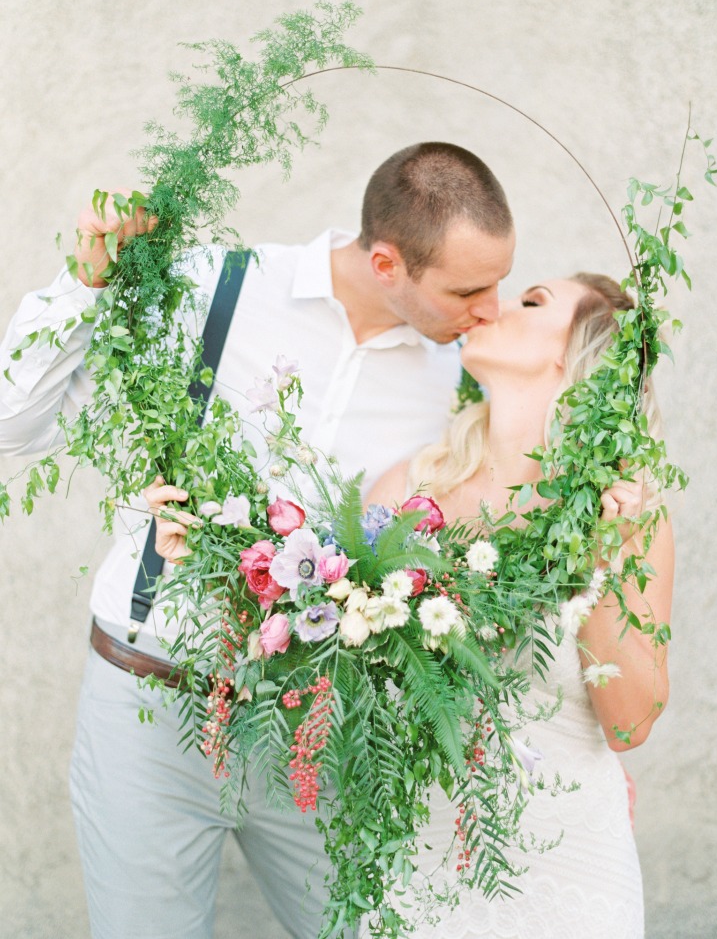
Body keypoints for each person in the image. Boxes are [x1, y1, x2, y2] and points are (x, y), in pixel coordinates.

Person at [0, 142, 517, 939]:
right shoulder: (217, 284)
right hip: (151, 701)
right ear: (387, 262)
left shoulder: (455, 376)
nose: (491, 308)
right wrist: (88, 283)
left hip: (316, 727)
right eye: (470, 288)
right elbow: (12, 426)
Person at [360, 273, 674, 939]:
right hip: (422, 862)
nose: (496, 306)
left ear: (577, 358)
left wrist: (599, 557)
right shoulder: (408, 491)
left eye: (532, 302)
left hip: (570, 869)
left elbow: (630, 724)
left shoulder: (630, 519)